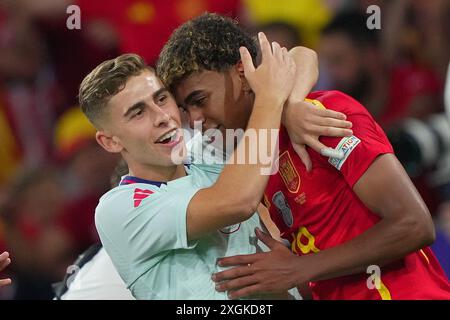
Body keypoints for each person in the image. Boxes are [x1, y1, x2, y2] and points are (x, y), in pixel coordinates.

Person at [156, 12, 450, 300]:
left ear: (242, 73)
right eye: (186, 109)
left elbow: (413, 223)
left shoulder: (320, 117)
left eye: (199, 100)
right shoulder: (251, 156)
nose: (195, 118)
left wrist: (300, 267)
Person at [80, 34, 325, 299]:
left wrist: (292, 105)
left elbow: (300, 56)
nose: (162, 117)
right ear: (110, 141)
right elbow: (236, 203)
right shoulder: (119, 208)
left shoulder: (209, 151)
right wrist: (271, 100)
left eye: (161, 99)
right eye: (138, 113)